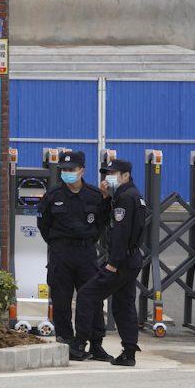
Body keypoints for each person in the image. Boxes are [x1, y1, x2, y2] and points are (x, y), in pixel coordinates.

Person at [71, 158, 148, 367]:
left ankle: (79, 345)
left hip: (121, 262)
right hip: (131, 259)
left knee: (87, 295)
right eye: (107, 173)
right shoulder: (131, 195)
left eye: (113, 174)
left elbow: (121, 233)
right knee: (124, 305)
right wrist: (106, 197)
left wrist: (113, 263)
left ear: (125, 176)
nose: (108, 177)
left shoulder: (125, 198)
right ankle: (129, 352)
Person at [36, 150, 112, 361]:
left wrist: (88, 240)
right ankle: (67, 343)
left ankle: (95, 343)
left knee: (92, 299)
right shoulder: (53, 196)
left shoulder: (95, 196)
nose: (67, 173)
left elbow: (102, 223)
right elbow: (43, 225)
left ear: (82, 171)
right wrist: (57, 244)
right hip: (61, 254)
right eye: (64, 170)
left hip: (86, 253)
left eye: (72, 170)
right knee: (61, 299)